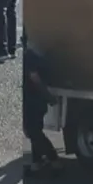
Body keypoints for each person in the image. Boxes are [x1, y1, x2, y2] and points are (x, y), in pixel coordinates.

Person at [22, 30, 62, 173]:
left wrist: (48, 97)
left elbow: (35, 78)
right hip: (38, 100)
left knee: (32, 132)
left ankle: (53, 159)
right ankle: (36, 163)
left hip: (32, 100)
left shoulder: (29, 57)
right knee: (35, 131)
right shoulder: (41, 56)